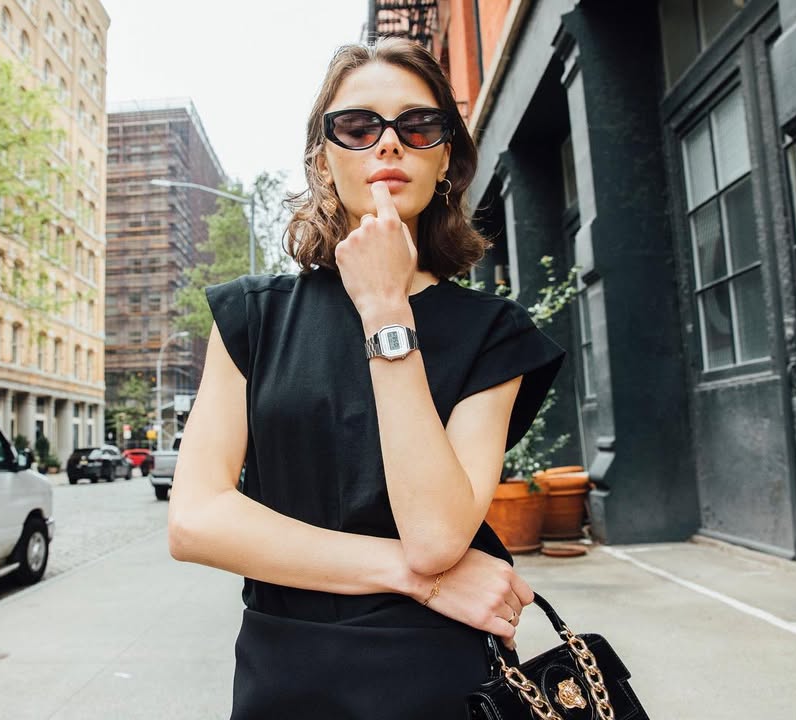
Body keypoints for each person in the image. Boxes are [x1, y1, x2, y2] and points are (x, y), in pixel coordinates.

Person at [168, 37, 565, 720]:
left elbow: (438, 537)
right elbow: (197, 522)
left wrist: (386, 311)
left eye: (419, 125)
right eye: (357, 127)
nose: (389, 144)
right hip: (280, 675)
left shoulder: (494, 335)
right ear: (324, 160)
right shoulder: (252, 317)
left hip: (435, 679)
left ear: (446, 159)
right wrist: (424, 583)